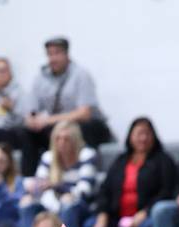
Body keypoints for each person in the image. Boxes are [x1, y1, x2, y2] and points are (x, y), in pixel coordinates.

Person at [82, 118, 176, 227]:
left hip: (144, 217)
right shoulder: (121, 161)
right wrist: (103, 215)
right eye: (139, 134)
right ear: (130, 136)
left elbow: (167, 191)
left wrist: (145, 212)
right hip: (118, 218)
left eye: (147, 134)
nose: (143, 138)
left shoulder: (163, 160)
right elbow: (105, 190)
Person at [21, 38, 112, 176]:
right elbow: (31, 110)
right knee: (27, 133)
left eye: (57, 53)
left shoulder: (81, 74)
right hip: (56, 127)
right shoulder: (40, 78)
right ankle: (29, 181)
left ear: (67, 54)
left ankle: (85, 176)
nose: (53, 58)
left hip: (88, 126)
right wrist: (31, 120)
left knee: (81, 129)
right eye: (49, 54)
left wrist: (48, 120)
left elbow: (84, 113)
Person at [19, 121, 99, 227]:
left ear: (75, 140)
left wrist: (57, 186)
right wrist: (33, 189)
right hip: (51, 206)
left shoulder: (87, 155)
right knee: (27, 204)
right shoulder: (48, 157)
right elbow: (39, 186)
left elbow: (84, 191)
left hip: (80, 207)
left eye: (66, 139)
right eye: (58, 138)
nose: (61, 143)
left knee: (68, 202)